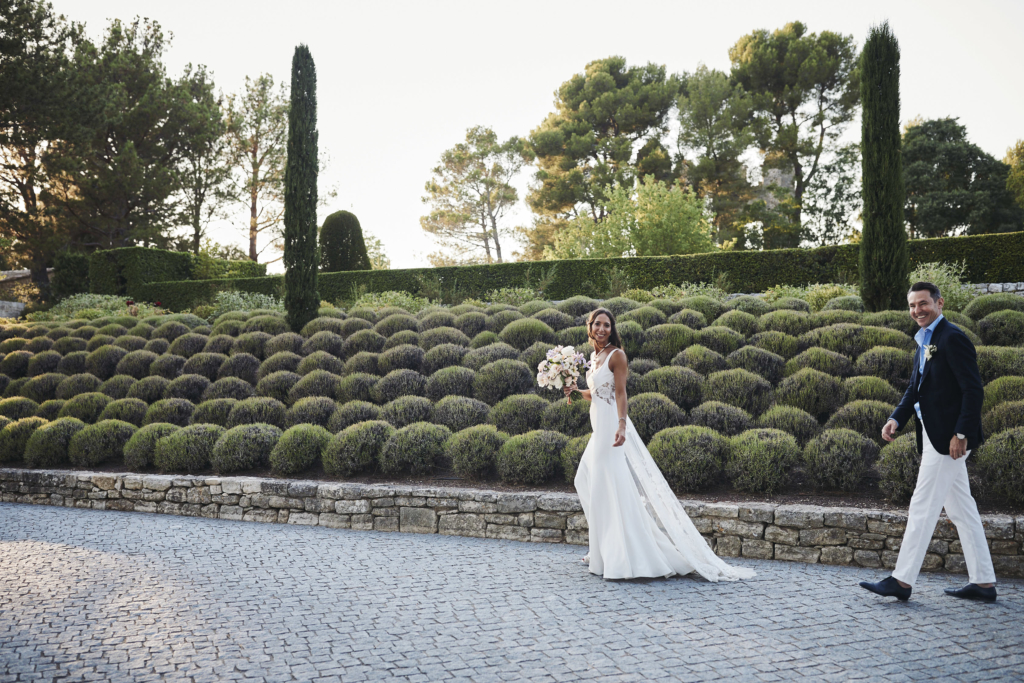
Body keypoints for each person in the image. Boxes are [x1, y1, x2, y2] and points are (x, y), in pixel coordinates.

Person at [564, 308, 755, 582]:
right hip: (599, 426)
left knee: (609, 486)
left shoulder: (617, 355)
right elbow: (596, 395)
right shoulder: (594, 357)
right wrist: (575, 391)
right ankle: (603, 549)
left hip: (611, 428)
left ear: (612, 328)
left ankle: (622, 555)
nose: (602, 329)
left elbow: (620, 393)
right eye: (597, 324)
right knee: (587, 480)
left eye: (607, 325)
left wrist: (621, 424)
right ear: (590, 327)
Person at [860, 282, 996, 602]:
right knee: (962, 511)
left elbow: (973, 390)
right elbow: (914, 389)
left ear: (938, 303)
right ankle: (984, 582)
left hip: (948, 440)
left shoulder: (952, 338)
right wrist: (896, 418)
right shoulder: (924, 340)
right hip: (936, 435)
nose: (917, 310)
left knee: (921, 507)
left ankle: (902, 580)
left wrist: (961, 434)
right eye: (912, 305)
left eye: (923, 303)